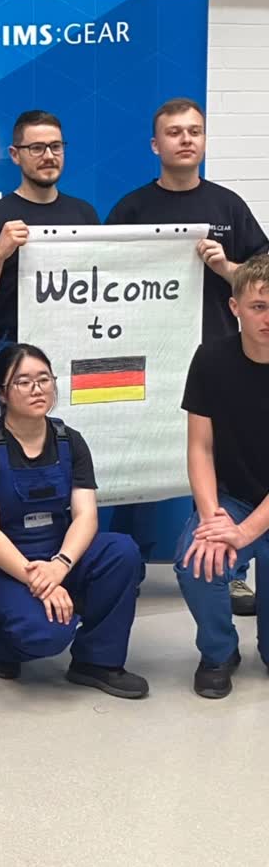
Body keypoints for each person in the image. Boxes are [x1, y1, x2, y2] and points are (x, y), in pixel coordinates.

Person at [106, 97, 269, 613]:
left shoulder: (228, 207)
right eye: (174, 132)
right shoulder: (132, 208)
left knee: (223, 459)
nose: (185, 139)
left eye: (194, 131)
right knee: (133, 459)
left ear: (204, 141)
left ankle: (229, 564)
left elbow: (261, 279)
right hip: (144, 359)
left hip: (218, 357)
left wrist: (226, 268)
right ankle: (125, 567)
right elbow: (100, 278)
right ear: (156, 145)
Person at [0, 342, 148, 697]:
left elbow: (86, 517)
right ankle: (5, 644)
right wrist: (40, 580)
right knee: (47, 634)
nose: (37, 389)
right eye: (23, 381)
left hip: (58, 555)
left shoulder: (70, 441)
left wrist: (60, 566)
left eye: (44, 379)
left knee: (121, 551)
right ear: (2, 393)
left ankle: (97, 661)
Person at [0, 110, 100, 417]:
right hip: (11, 351)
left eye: (56, 146)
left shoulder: (85, 215)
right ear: (15, 155)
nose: (48, 156)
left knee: (74, 437)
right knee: (4, 442)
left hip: (73, 348)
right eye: (36, 148)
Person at [174, 255, 269, 699]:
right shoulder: (211, 360)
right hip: (233, 500)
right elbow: (200, 447)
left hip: (260, 511)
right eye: (258, 307)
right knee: (198, 558)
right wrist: (212, 520)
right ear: (235, 308)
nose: (268, 318)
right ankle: (218, 652)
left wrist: (245, 532)